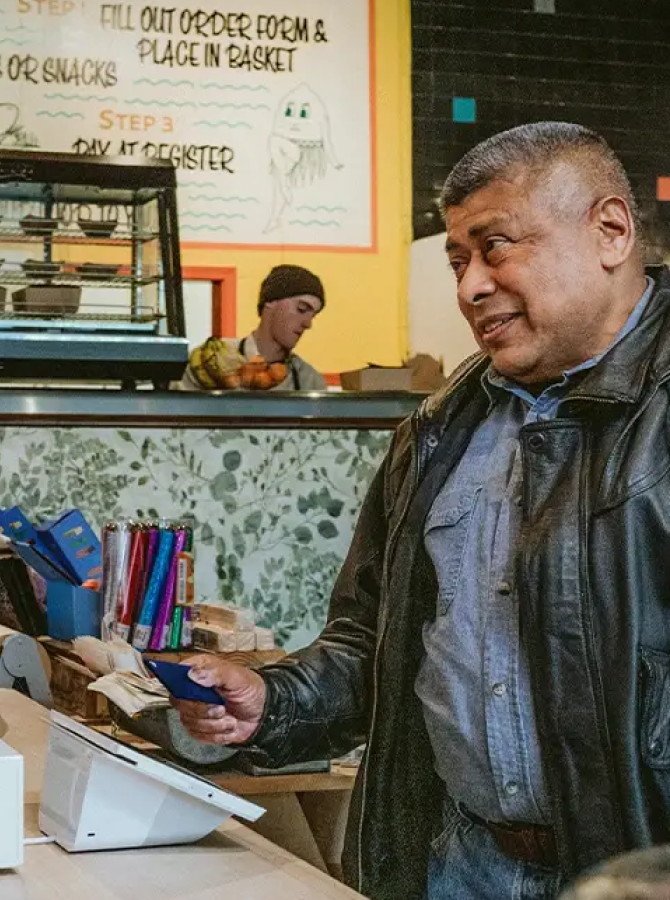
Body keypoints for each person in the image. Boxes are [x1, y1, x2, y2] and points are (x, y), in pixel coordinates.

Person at [176, 121, 669, 900]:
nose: (470, 286)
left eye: (497, 246)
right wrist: (274, 699)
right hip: (459, 863)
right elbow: (372, 643)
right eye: (457, 261)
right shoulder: (439, 430)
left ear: (609, 231)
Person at [180, 263, 329, 391]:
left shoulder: (309, 381)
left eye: (313, 315)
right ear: (270, 302)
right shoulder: (212, 360)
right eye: (301, 309)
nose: (307, 324)